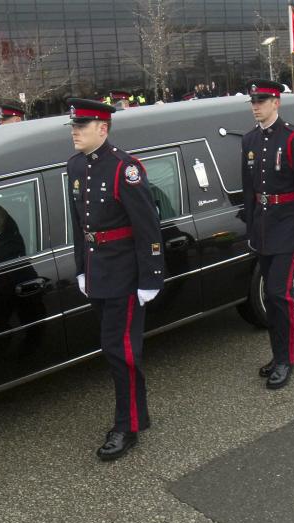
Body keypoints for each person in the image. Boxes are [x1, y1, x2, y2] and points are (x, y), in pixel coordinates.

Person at [66, 98, 165, 461]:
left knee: (119, 351)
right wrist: (80, 268)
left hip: (125, 273)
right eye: (74, 126)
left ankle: (127, 425)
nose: (75, 132)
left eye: (82, 126)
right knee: (117, 350)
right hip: (96, 271)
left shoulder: (126, 169)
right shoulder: (75, 165)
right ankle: (140, 412)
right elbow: (79, 226)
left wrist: (151, 277)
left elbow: (147, 227)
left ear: (103, 129)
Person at [241, 79, 294, 389]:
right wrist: (251, 227)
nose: (256, 106)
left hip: (288, 225)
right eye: (253, 101)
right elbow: (249, 189)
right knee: (271, 295)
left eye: (261, 100)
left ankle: (286, 359)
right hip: (263, 226)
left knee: (278, 293)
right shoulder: (249, 141)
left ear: (276, 103)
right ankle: (277, 356)